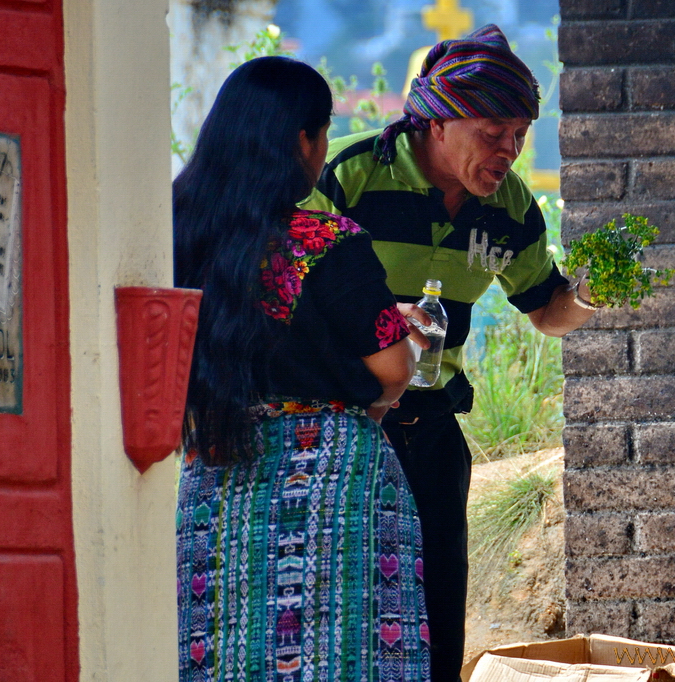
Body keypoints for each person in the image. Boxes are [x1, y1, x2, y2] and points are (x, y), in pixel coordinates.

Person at [299, 25, 598, 682]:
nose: (508, 150)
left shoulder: (509, 207)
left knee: (435, 618)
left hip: (432, 433)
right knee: (342, 609)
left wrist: (593, 293)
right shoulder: (350, 178)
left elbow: (547, 311)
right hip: (342, 430)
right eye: (491, 131)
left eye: (519, 135)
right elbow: (290, 295)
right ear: (436, 122)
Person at [173, 56, 432, 682]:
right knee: (350, 656)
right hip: (334, 486)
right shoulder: (328, 242)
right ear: (301, 140)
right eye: (322, 135)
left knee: (228, 653)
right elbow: (394, 367)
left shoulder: (177, 235)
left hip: (215, 476)